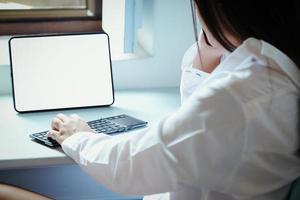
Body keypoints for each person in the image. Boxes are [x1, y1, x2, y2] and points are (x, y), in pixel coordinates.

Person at [46, 0, 300, 199]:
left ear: (219, 8)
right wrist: (208, 50)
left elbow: (127, 168)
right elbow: (197, 128)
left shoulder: (236, 97)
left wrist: (78, 137)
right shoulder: (272, 68)